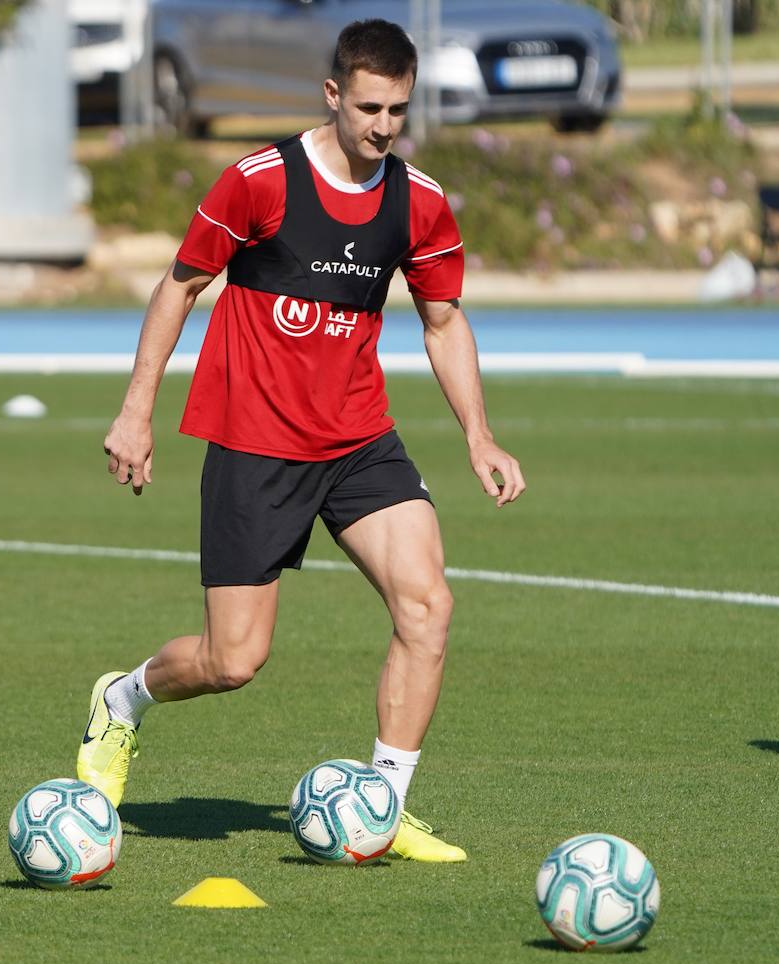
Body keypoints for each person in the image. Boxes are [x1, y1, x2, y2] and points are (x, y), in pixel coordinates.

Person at [75, 18, 525, 862]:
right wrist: (136, 412)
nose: (383, 126)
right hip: (254, 444)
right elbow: (179, 289)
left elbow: (443, 320)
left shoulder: (418, 201)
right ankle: (125, 700)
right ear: (332, 94)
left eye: (398, 109)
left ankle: (383, 809)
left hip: (360, 441)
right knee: (233, 660)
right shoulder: (259, 182)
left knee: (428, 607)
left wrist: (481, 435)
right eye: (367, 108)